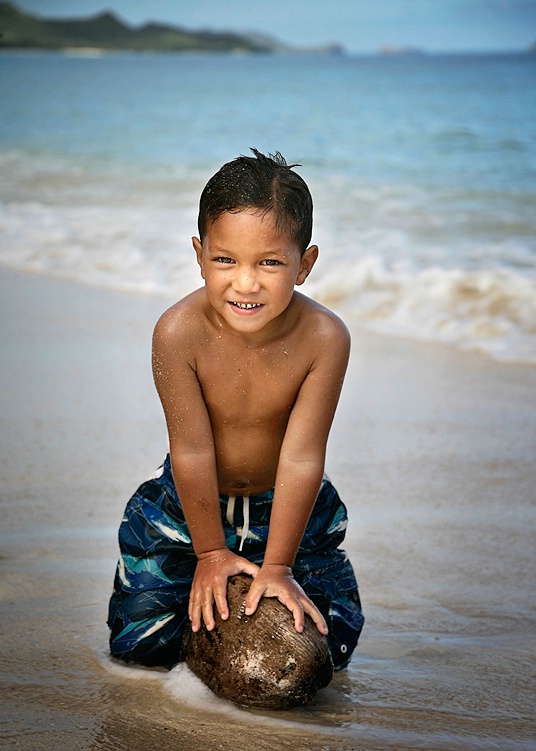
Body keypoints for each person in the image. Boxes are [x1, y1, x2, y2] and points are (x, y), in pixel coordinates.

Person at [107, 149, 364, 671]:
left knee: (329, 647)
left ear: (305, 264)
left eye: (270, 262)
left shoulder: (324, 338)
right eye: (225, 260)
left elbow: (301, 456)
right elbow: (192, 448)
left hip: (291, 504)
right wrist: (209, 554)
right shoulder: (179, 332)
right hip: (186, 503)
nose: (246, 283)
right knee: (139, 645)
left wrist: (280, 566)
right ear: (200, 255)